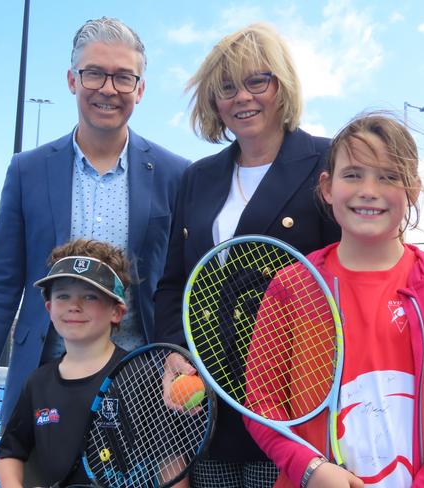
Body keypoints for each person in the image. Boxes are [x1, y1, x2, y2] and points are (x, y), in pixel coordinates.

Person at [0, 16, 189, 447]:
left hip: (141, 395)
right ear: (71, 80)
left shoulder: (176, 174)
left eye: (123, 77)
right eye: (94, 73)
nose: (107, 88)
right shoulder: (27, 170)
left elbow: (179, 286)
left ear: (140, 88)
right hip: (42, 392)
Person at [244, 112, 424, 487]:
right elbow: (262, 403)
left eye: (389, 176)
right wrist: (310, 469)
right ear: (328, 187)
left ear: (412, 190)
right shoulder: (291, 286)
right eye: (353, 174)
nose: (369, 189)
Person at [154, 23, 341, 487]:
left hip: (291, 399)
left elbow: (345, 278)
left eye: (258, 81)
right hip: (209, 404)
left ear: (283, 85)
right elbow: (174, 281)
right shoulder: (198, 177)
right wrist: (175, 351)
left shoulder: (329, 162)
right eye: (227, 87)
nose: (243, 97)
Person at [0, 239, 131, 486]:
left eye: (90, 296)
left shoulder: (137, 374)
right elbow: (9, 452)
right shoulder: (38, 382)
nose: (74, 306)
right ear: (49, 307)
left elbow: (169, 459)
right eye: (63, 295)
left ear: (116, 311)